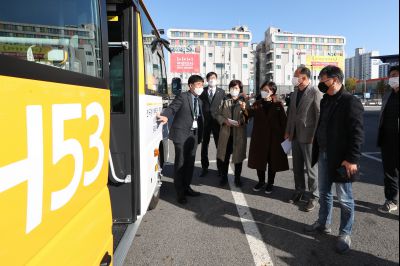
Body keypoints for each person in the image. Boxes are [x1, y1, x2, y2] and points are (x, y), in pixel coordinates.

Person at [305, 66, 364, 254]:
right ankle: (323, 223)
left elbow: (357, 133)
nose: (320, 82)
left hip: (342, 159)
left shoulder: (350, 101)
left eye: (323, 79)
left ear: (335, 80)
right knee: (324, 193)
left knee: (345, 198)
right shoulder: (326, 101)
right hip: (323, 153)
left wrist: (351, 159)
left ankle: (345, 233)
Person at [157, 75, 204, 204]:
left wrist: (199, 137)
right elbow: (172, 108)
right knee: (181, 163)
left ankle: (187, 187)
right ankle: (180, 192)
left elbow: (200, 119)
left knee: (190, 164)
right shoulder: (183, 97)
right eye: (198, 84)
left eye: (202, 85)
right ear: (190, 86)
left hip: (193, 136)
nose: (201, 87)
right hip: (181, 135)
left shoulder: (199, 101)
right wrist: (165, 116)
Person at [285, 66, 322, 211]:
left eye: (296, 76)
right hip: (295, 135)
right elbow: (291, 114)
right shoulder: (295, 92)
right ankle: (299, 190)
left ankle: (314, 197)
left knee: (311, 169)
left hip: (309, 137)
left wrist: (316, 136)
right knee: (297, 167)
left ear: (304, 78)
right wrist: (288, 131)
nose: (294, 78)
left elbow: (319, 115)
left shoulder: (315, 92)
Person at [245, 81, 289, 193]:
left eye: (267, 90)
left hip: (275, 138)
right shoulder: (257, 104)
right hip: (259, 138)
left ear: (272, 91)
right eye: (263, 90)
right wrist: (244, 107)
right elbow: (248, 115)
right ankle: (261, 181)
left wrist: (286, 136)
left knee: (272, 161)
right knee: (260, 160)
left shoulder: (278, 105)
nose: (264, 92)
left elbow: (284, 122)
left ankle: (270, 183)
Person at [214, 80, 248, 187]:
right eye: (232, 88)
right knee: (225, 156)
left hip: (239, 134)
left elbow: (248, 116)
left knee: (238, 158)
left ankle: (237, 178)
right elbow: (217, 114)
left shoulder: (243, 101)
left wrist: (242, 119)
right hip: (226, 133)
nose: (234, 90)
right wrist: (224, 121)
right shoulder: (224, 100)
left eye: (237, 88)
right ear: (229, 89)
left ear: (240, 89)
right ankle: (224, 177)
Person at [377, 65, 399, 213]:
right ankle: (391, 199)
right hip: (387, 138)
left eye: (396, 74)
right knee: (389, 172)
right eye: (391, 75)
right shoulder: (387, 94)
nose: (393, 77)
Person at [199, 72, 226, 177]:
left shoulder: (222, 92)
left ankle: (220, 168)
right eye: (210, 78)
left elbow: (225, 106)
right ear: (207, 80)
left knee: (219, 146)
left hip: (217, 123)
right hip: (205, 122)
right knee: (204, 146)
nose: (212, 80)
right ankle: (204, 167)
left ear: (217, 79)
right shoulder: (202, 91)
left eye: (214, 78)